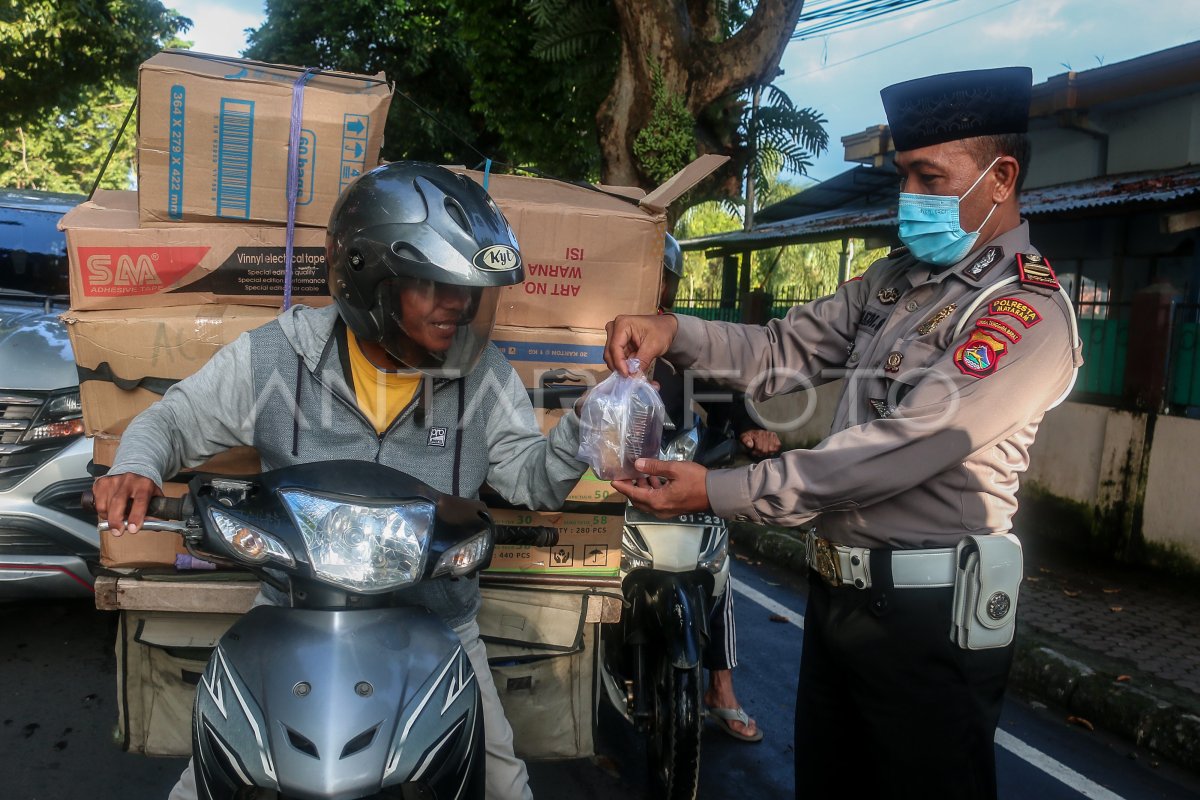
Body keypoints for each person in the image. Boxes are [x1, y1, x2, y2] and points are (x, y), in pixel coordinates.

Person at [602, 67, 1082, 799]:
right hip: (839, 606)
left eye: (929, 177)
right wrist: (671, 331)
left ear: (1000, 176)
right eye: (904, 178)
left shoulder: (1022, 312)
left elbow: (894, 451)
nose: (909, 199)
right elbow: (776, 350)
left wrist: (720, 489)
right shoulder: (893, 282)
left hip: (928, 628)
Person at [92, 162, 590, 800]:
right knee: (207, 783)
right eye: (435, 285)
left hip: (436, 621)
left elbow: (534, 481)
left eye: (468, 289)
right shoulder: (278, 356)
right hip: (291, 614)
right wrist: (135, 465)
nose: (460, 305)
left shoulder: (484, 375)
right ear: (369, 277)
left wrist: (587, 430)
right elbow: (176, 418)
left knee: (502, 785)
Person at [653, 233, 770, 743]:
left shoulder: (678, 346)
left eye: (665, 276)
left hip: (676, 479)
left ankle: (720, 687)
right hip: (609, 483)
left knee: (715, 563)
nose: (657, 285)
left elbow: (727, 394)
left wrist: (749, 427)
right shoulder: (599, 334)